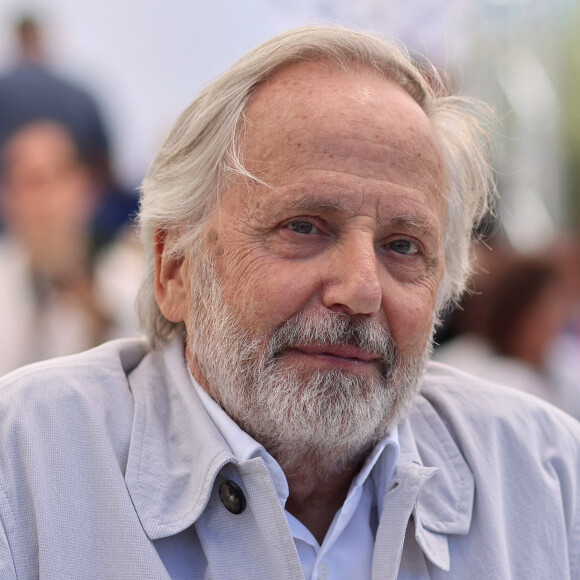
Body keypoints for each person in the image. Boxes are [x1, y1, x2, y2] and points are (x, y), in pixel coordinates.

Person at [0, 26, 578, 579]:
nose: (360, 290)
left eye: (402, 245)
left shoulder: (549, 478)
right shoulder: (26, 466)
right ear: (174, 267)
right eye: (304, 228)